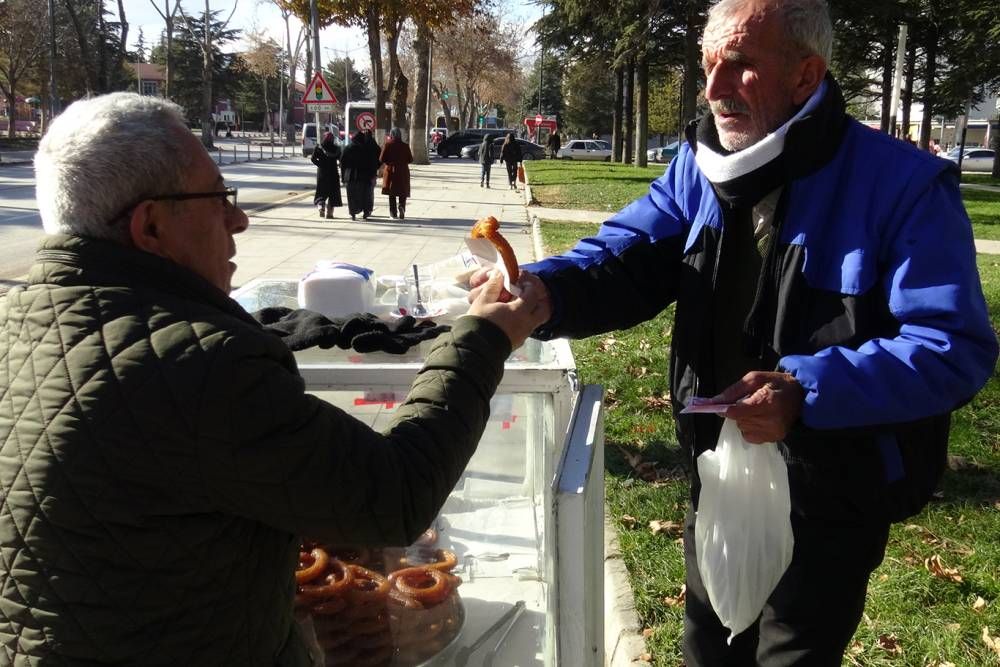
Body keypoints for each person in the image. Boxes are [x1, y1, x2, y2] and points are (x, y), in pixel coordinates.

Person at [471, 0, 997, 663]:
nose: (714, 90)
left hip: (833, 495)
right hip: (719, 475)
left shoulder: (904, 186)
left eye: (741, 66)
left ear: (806, 75)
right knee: (707, 652)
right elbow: (625, 254)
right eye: (708, 65)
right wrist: (545, 288)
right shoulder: (702, 165)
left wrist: (807, 391)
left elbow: (951, 346)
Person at [1, 92, 549, 665]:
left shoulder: (13, 325)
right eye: (218, 198)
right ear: (151, 226)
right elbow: (395, 495)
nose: (238, 218)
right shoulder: (199, 364)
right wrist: (483, 338)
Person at [340, 131, 379, 220]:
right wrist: (373, 174)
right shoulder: (366, 149)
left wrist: (343, 177)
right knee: (365, 195)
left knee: (351, 195)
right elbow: (372, 163)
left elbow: (342, 163)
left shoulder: (347, 148)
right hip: (364, 176)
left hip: (350, 176)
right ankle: (365, 212)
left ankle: (353, 213)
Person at [379, 127, 413, 220]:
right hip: (403, 171)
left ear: (391, 134)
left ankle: (393, 213)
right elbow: (410, 159)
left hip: (391, 171)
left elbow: (381, 159)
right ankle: (402, 207)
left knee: (391, 193)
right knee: (402, 192)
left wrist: (388, 163)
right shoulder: (405, 146)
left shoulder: (388, 145)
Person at [310, 131, 342, 219]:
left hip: (322, 173)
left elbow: (313, 159)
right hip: (333, 173)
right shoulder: (336, 148)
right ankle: (330, 214)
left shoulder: (319, 147)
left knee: (321, 192)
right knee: (332, 193)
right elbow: (340, 160)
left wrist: (320, 164)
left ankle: (321, 207)